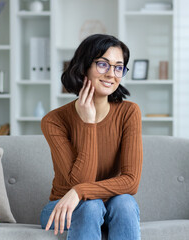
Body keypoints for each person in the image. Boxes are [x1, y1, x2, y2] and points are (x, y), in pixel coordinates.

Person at [40, 34, 143, 240]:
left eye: (118, 67)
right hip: (64, 206)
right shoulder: (54, 121)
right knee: (91, 206)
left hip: (108, 204)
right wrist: (89, 123)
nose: (111, 74)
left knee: (125, 202)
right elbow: (80, 180)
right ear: (84, 66)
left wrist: (79, 191)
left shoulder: (129, 112)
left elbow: (131, 182)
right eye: (103, 64)